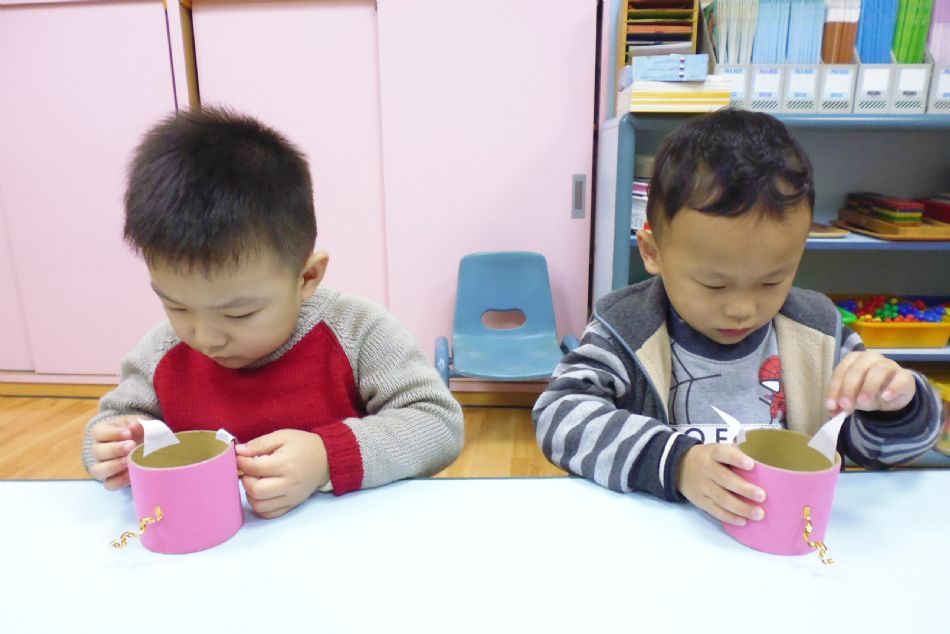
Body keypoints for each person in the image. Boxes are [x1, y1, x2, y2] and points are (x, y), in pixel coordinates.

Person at [534, 109, 942, 527]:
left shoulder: (818, 335)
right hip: (661, 541)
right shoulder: (626, 329)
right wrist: (676, 463)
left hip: (783, 539)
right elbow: (558, 415)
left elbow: (879, 451)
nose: (742, 309)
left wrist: (896, 405)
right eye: (714, 285)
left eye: (771, 282)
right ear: (653, 253)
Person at [83, 108, 463, 518]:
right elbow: (112, 424)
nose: (205, 337)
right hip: (214, 540)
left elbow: (437, 423)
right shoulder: (160, 353)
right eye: (177, 306)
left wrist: (326, 457)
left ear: (307, 277)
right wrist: (116, 448)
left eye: (239, 314)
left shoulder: (359, 333)